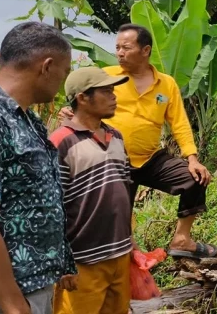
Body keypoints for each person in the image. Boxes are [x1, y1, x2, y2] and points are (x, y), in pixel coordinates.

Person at [60, 24, 217, 258]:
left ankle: (182, 240)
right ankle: (126, 258)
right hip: (113, 160)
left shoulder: (166, 84)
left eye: (126, 47)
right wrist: (70, 111)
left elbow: (180, 124)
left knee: (194, 178)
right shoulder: (108, 77)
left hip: (151, 158)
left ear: (145, 50)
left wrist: (192, 158)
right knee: (117, 215)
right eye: (117, 48)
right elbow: (82, 101)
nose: (119, 53)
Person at [0, 22, 77, 314]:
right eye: (65, 73)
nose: (63, 83)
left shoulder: (29, 120)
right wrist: (12, 304)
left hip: (33, 285)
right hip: (9, 292)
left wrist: (60, 261)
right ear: (47, 66)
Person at [49, 67, 140, 314]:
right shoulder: (61, 142)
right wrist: (62, 261)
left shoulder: (116, 137)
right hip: (82, 260)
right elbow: (52, 206)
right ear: (82, 97)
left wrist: (130, 239)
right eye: (106, 91)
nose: (114, 96)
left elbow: (124, 189)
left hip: (119, 253)